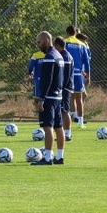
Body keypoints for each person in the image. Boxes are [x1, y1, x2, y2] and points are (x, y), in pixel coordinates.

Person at [32, 32, 66, 165]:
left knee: (48, 127)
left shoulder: (49, 57)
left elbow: (47, 79)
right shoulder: (59, 56)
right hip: (58, 96)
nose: (38, 45)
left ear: (46, 40)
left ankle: (47, 158)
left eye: (39, 42)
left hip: (49, 97)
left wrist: (41, 98)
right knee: (59, 127)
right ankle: (59, 157)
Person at [64, 26, 90, 128]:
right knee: (79, 98)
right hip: (78, 74)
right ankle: (80, 122)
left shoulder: (64, 42)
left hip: (67, 74)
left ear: (67, 33)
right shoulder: (81, 44)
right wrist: (88, 75)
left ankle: (66, 119)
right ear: (75, 33)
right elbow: (86, 61)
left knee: (67, 97)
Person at [54, 36, 75, 142]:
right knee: (62, 110)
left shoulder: (65, 57)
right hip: (65, 87)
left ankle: (67, 134)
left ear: (58, 45)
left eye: (54, 46)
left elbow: (65, 75)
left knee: (64, 110)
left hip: (65, 88)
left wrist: (61, 87)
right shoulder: (64, 55)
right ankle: (63, 133)